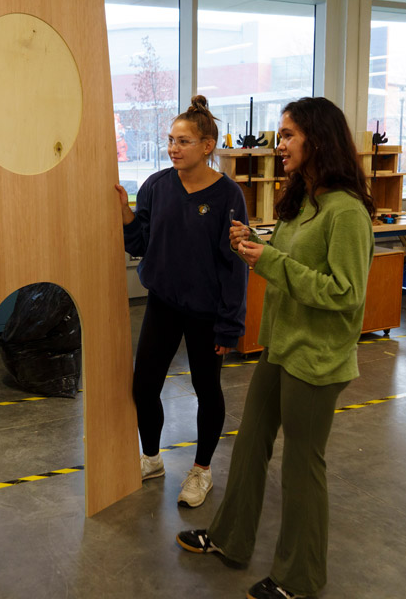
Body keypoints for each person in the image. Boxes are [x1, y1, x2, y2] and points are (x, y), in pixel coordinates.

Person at [175, 97, 374, 599]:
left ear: (317, 139)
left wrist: (271, 262)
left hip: (317, 358)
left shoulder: (346, 211)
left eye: (287, 135)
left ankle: (300, 577)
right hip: (282, 346)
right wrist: (256, 243)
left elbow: (347, 293)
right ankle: (230, 539)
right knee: (249, 446)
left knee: (302, 468)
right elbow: (291, 260)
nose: (277, 144)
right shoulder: (306, 199)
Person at [115, 95, 249, 508]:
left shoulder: (228, 196)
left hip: (207, 313)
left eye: (183, 141)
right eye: (170, 140)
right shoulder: (156, 186)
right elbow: (140, 243)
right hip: (164, 304)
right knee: (144, 385)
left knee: (206, 390)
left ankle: (202, 470)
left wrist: (230, 324)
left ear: (207, 146)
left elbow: (234, 265)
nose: (173, 148)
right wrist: (124, 214)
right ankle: (152, 458)